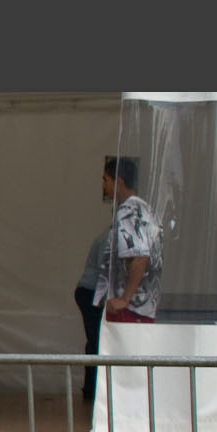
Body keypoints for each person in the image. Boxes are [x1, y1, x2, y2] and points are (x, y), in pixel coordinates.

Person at [95, 156, 162, 324]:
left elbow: (140, 256)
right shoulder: (146, 209)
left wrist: (125, 299)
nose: (103, 185)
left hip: (129, 308)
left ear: (119, 181)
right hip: (142, 305)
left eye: (106, 180)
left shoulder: (128, 210)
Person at [73, 221, 114, 406]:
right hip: (91, 291)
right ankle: (92, 389)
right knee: (97, 340)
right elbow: (106, 270)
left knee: (95, 340)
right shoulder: (110, 238)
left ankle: (92, 388)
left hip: (91, 291)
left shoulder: (109, 235)